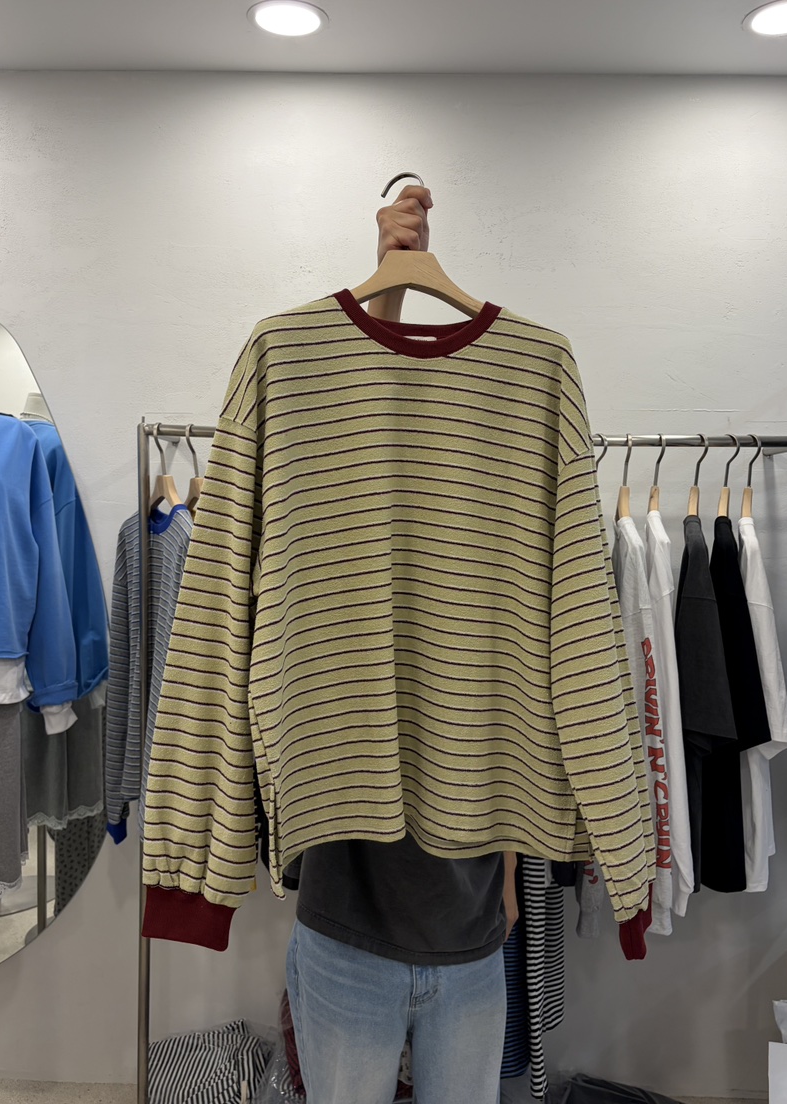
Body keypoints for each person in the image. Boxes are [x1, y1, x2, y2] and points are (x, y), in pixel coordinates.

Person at [284, 184, 519, 1104]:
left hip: (472, 927)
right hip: (346, 921)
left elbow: (526, 702)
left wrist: (512, 869)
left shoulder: (508, 458)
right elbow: (355, 400)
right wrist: (386, 283)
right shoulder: (326, 491)